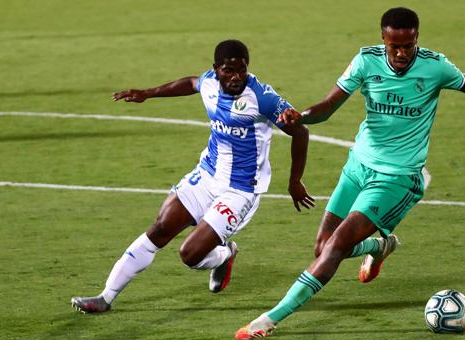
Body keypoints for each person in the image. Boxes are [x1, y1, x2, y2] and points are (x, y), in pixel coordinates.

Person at [235, 7, 465, 340]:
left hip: (397, 178)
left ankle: (270, 319)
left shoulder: (435, 67)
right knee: (323, 248)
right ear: (384, 40)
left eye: (409, 45)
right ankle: (379, 247)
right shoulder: (366, 61)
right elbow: (329, 104)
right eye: (396, 46)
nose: (403, 53)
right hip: (357, 167)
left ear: (416, 38)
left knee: (338, 244)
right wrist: (301, 116)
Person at [71, 39, 314, 313]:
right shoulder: (210, 82)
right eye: (228, 71)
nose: (235, 77)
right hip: (207, 175)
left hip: (240, 190)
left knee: (190, 255)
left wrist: (295, 181)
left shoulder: (263, 98)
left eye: (241, 70)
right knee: (160, 229)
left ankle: (225, 253)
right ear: (216, 69)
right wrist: (148, 93)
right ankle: (105, 297)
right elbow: (190, 83)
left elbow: (300, 131)